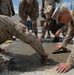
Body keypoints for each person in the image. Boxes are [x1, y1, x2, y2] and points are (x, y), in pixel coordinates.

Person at [52, 6, 74, 73]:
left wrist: (69, 63)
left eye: (60, 21)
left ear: (62, 16)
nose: (61, 23)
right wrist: (63, 44)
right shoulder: (71, 20)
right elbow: (69, 34)